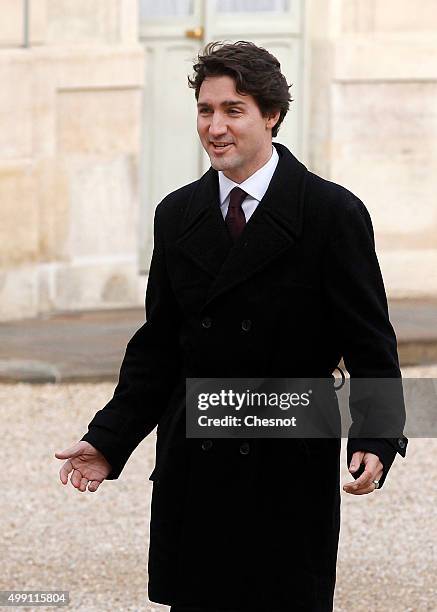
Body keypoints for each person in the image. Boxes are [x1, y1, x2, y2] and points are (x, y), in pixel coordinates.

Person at [55, 41, 408, 611]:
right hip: (198, 463)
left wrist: (375, 436)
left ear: (271, 116)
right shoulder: (176, 214)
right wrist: (107, 439)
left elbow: (370, 341)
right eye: (205, 110)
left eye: (233, 110)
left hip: (288, 462)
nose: (215, 126)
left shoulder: (331, 214)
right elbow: (158, 348)